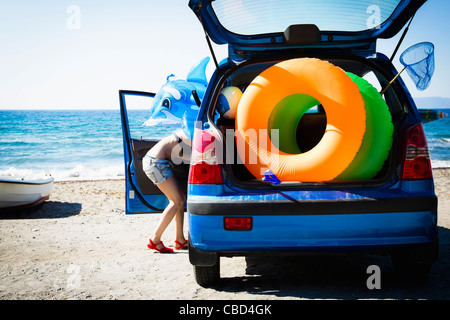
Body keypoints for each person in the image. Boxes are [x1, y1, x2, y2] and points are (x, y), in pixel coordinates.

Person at [142, 129, 191, 253]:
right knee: (176, 201)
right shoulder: (189, 134)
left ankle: (180, 240)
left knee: (180, 198)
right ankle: (155, 239)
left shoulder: (186, 130)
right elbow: (190, 156)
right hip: (156, 164)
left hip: (157, 162)